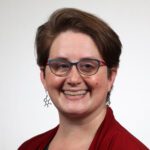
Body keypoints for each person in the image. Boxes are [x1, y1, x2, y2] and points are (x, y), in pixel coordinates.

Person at [18, 8, 149, 150]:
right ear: (43, 76)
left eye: (88, 66)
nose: (73, 79)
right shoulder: (28, 147)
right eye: (61, 65)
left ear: (111, 76)